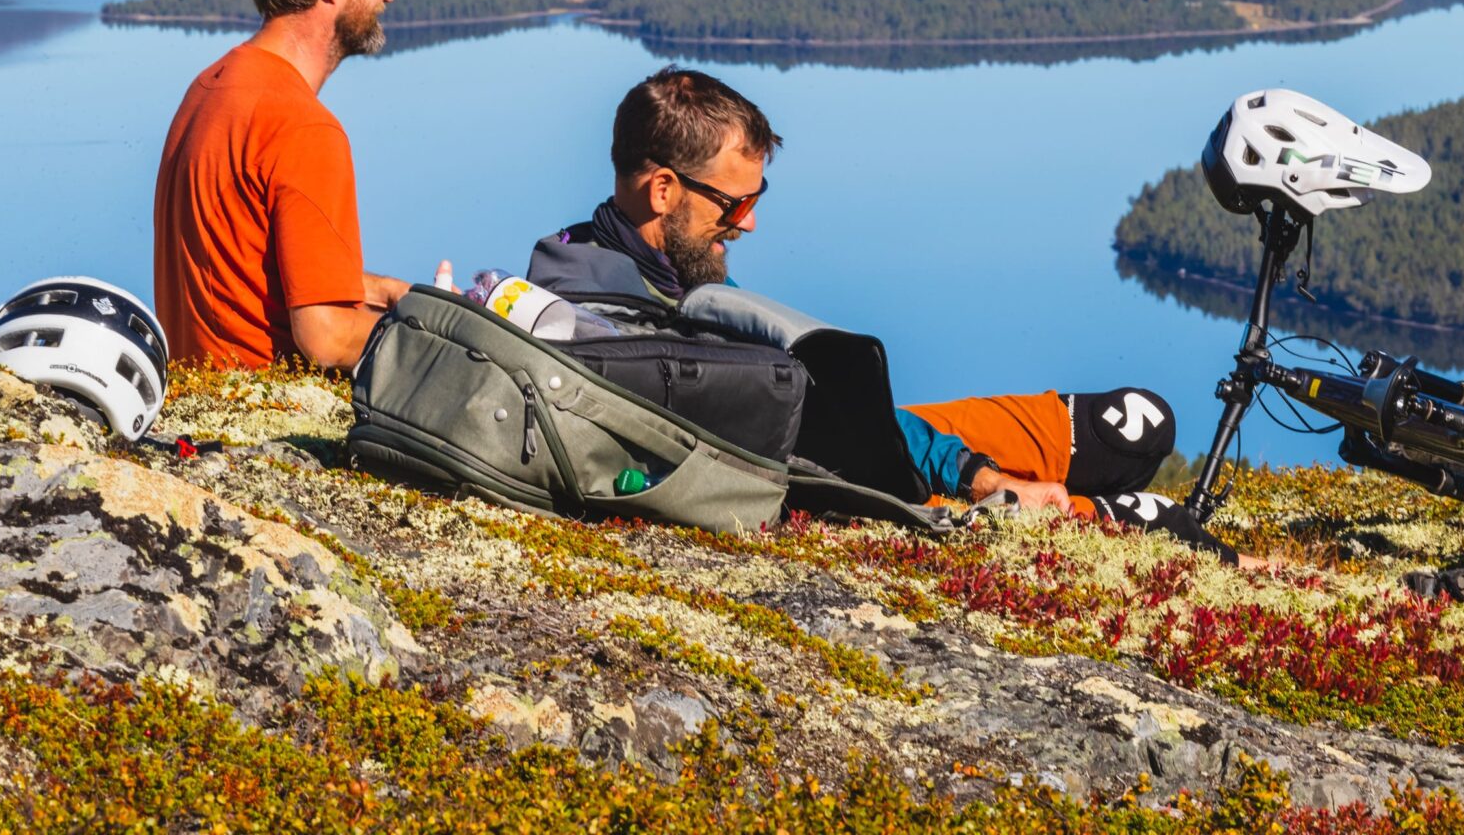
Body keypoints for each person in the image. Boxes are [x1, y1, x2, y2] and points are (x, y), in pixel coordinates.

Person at [526, 66, 1246, 565]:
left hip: (867, 440)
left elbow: (837, 415)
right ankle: (1096, 517)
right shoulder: (648, 332)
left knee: (1139, 427)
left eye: (757, 199)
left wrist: (961, 462)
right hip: (853, 475)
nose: (747, 225)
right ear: (662, 191)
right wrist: (983, 482)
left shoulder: (606, 266)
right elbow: (822, 448)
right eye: (736, 204)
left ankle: (1056, 482)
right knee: (1165, 523)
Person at [153, 0, 409, 371]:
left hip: (191, 402)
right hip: (267, 421)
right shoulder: (303, 128)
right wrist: (443, 336)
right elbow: (327, 337)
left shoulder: (211, 87)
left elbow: (250, 273)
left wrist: (381, 291)